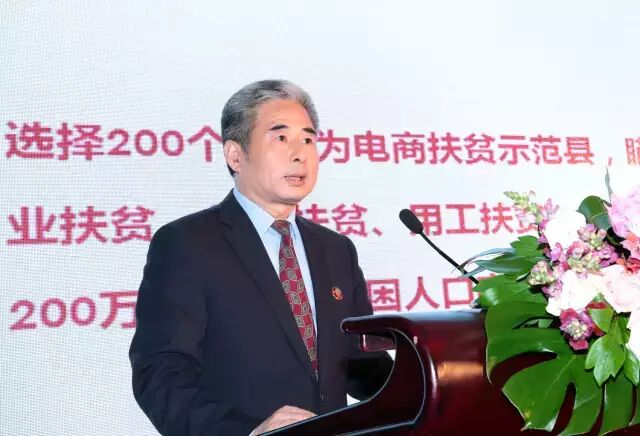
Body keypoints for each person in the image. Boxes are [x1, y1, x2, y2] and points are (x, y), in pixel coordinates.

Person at [129, 80, 392, 436]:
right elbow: (161, 376)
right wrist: (248, 431)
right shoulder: (187, 244)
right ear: (235, 155)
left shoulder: (336, 249)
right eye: (281, 138)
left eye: (308, 140)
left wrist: (449, 375)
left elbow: (361, 365)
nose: (299, 154)